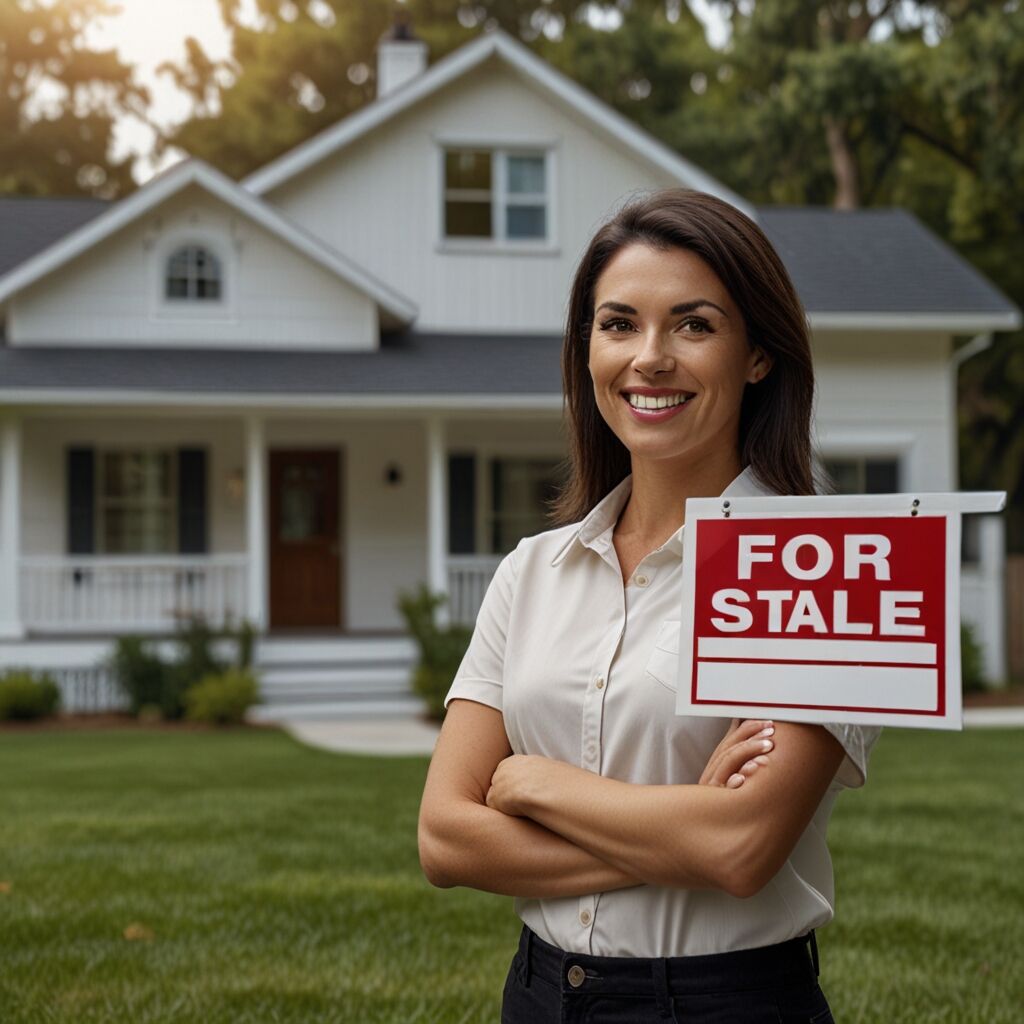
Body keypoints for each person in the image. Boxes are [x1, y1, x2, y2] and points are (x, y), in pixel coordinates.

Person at [418, 188, 882, 1023]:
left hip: (725, 1004)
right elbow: (446, 838)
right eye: (619, 323)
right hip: (537, 996)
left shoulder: (817, 568)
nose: (650, 358)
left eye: (694, 325)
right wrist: (679, 832)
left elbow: (741, 850)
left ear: (758, 354)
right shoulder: (531, 573)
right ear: (586, 348)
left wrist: (531, 783)